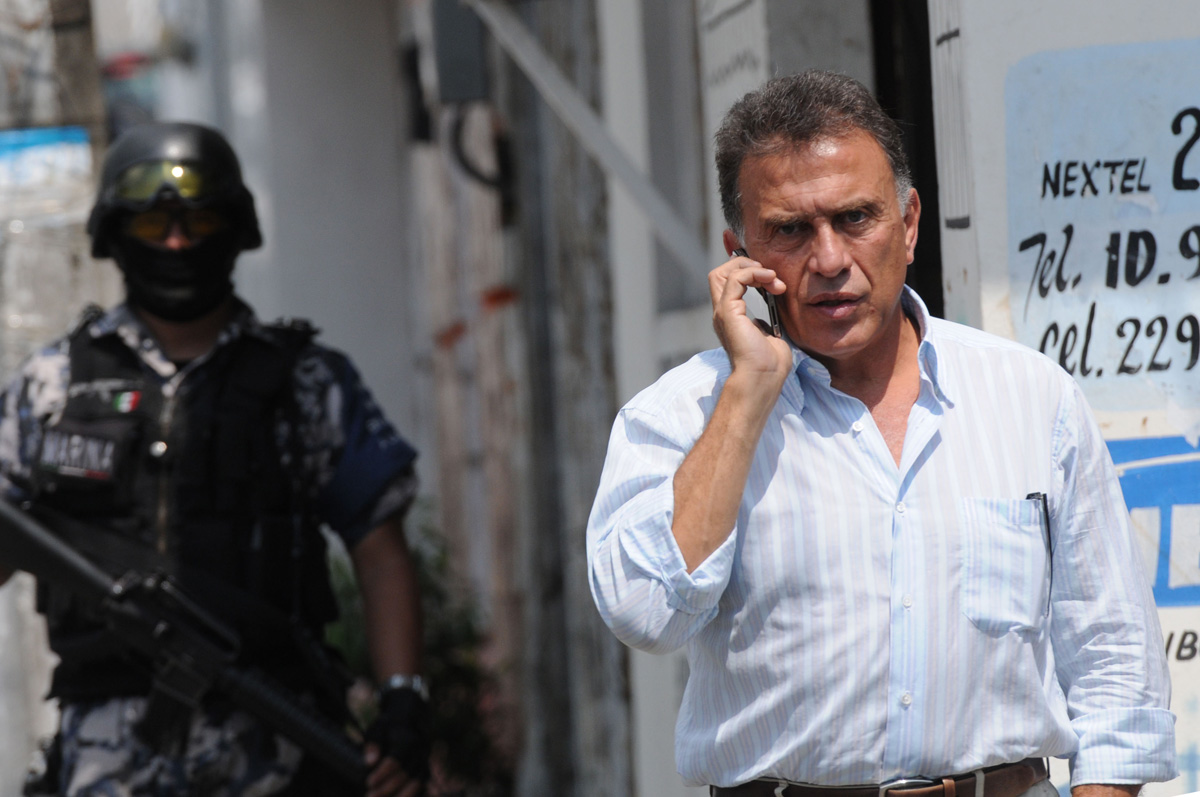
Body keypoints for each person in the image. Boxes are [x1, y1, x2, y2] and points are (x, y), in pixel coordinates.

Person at [586, 71, 1176, 797]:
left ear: (910, 223)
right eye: (790, 230)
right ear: (740, 255)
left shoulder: (1030, 396)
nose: (830, 260)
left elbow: (1114, 659)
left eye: (855, 218)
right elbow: (645, 613)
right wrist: (745, 397)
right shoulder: (685, 413)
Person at [0, 121, 428, 797]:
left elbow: (380, 550)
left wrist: (405, 699)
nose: (177, 242)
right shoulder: (53, 385)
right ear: (116, 232)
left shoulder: (305, 382)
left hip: (274, 744)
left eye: (197, 221)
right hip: (105, 756)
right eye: (154, 224)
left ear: (233, 228)